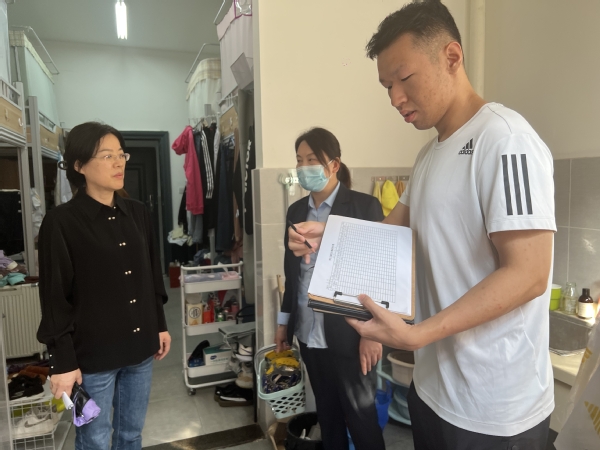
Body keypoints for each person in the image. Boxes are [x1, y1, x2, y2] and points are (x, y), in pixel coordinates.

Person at [288, 2, 556, 449]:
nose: (395, 98)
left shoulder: (507, 140)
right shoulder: (430, 155)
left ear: (451, 57)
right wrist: (327, 236)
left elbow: (529, 274)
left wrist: (416, 335)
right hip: (433, 391)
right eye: (387, 86)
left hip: (493, 410)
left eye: (404, 79)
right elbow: (391, 234)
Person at [37, 122, 171, 450]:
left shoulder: (138, 212)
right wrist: (62, 362)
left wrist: (160, 325)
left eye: (121, 154)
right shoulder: (60, 222)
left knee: (131, 435)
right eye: (107, 155)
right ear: (79, 165)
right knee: (93, 439)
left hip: (140, 351)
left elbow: (151, 276)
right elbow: (55, 299)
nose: (118, 162)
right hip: (90, 360)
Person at [275, 127, 386, 450]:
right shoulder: (296, 212)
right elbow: (292, 274)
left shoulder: (364, 207)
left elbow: (377, 276)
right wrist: (283, 323)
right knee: (327, 415)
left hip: (351, 335)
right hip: (308, 332)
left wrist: (373, 334)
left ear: (334, 164)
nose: (303, 167)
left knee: (361, 418)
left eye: (312, 159)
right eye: (299, 160)